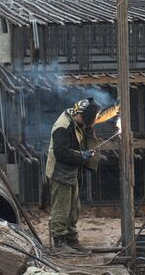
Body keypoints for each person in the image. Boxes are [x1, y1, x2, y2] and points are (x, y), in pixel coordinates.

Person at [46, 98, 101, 250]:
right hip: (60, 172)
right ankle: (60, 242)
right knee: (62, 209)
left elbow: (95, 120)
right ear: (84, 115)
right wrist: (81, 155)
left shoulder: (78, 119)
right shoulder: (63, 127)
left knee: (74, 208)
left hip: (71, 171)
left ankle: (71, 239)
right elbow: (61, 152)